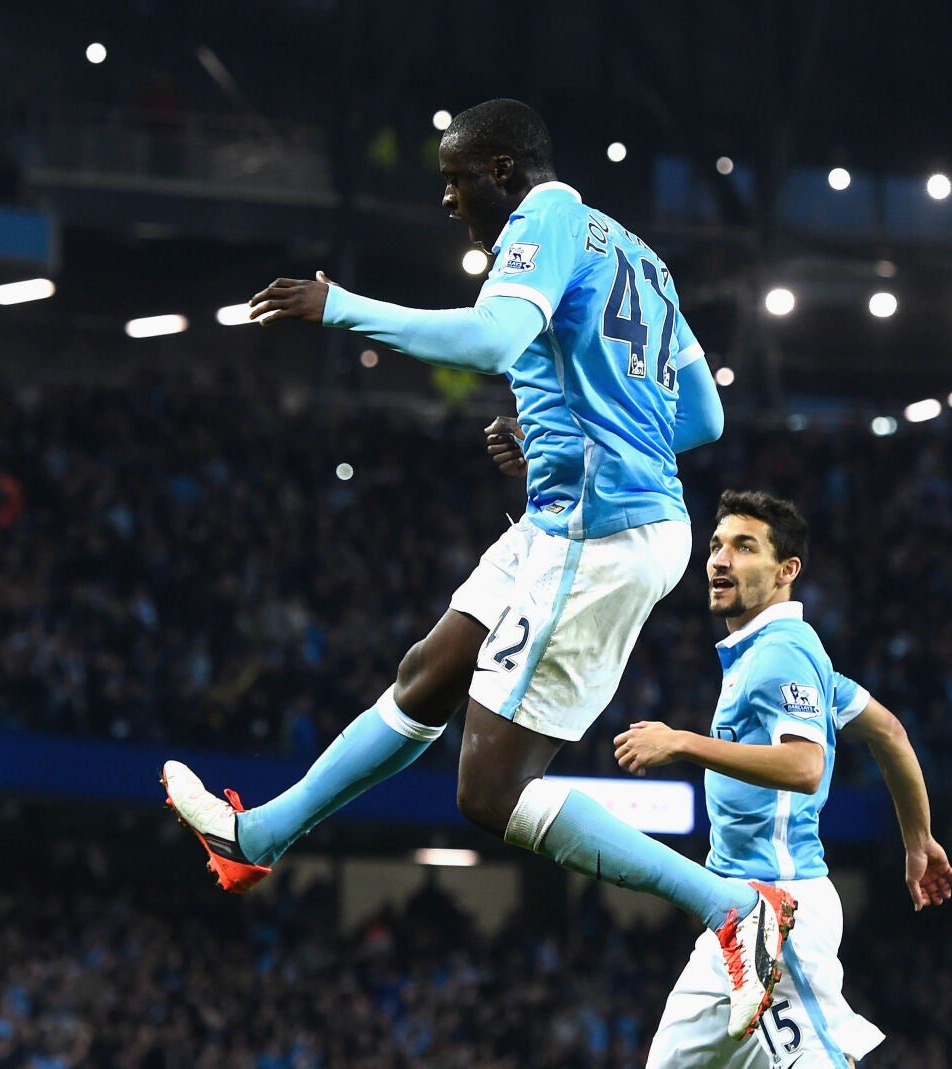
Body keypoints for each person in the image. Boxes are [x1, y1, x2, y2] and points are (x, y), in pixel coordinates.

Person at [161, 98, 798, 1040]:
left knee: (488, 790)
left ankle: (731, 908)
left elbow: (492, 339)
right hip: (570, 512)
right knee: (427, 672)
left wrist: (338, 306)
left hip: (598, 531)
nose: (449, 198)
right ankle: (255, 837)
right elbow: (701, 418)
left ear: (504, 170)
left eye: (458, 178)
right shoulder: (637, 252)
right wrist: (567, 431)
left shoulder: (541, 217)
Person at [612, 490, 952, 1067]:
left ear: (786, 571)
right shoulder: (771, 653)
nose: (720, 560)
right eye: (718, 545)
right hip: (734, 915)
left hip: (779, 911)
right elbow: (890, 732)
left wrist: (681, 742)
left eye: (745, 548)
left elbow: (805, 766)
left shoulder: (784, 650)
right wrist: (918, 840)